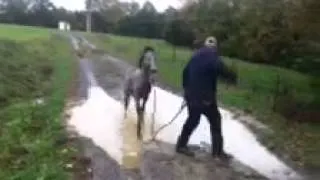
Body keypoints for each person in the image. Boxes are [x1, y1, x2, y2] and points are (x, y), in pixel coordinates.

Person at [176, 36, 237, 160]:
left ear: (205, 45)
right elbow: (222, 70)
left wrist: (186, 90)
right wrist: (233, 77)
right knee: (215, 120)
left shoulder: (195, 56)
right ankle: (217, 152)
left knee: (193, 120)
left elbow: (185, 72)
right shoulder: (213, 56)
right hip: (205, 98)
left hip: (191, 95)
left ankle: (181, 145)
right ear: (215, 47)